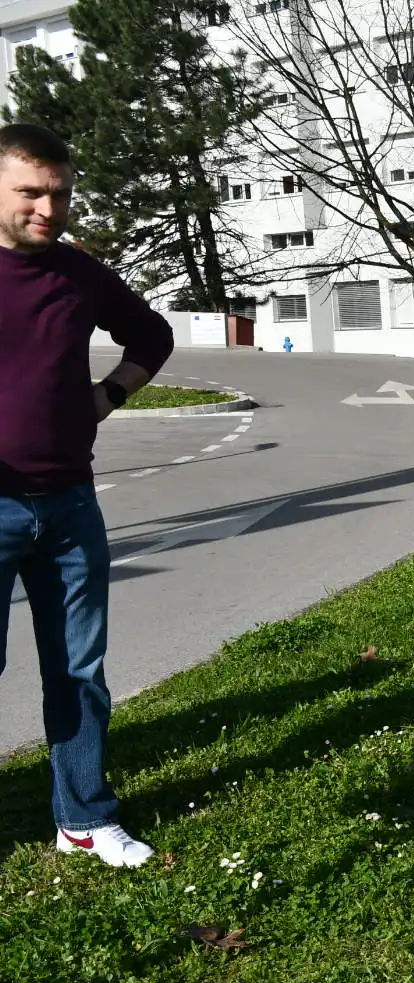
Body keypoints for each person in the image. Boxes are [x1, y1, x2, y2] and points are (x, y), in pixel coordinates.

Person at [0, 123, 174, 867]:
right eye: (31, 193)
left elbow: (152, 335)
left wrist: (109, 395)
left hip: (71, 505)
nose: (49, 207)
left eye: (61, 194)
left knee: (79, 670)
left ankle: (82, 817)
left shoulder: (78, 272)